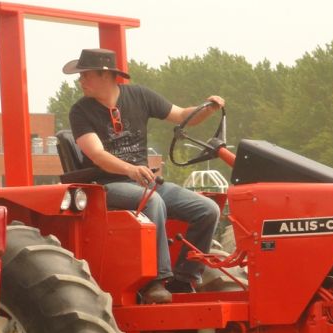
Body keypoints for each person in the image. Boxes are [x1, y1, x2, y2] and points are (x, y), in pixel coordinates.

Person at [63, 48, 223, 304]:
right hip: (107, 185)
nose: (81, 81)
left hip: (143, 182)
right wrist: (129, 169)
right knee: (152, 201)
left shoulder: (139, 96)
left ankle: (184, 278)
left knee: (208, 209)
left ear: (106, 75)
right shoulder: (80, 111)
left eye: (85, 75)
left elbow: (182, 115)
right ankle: (155, 281)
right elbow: (97, 154)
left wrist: (208, 109)